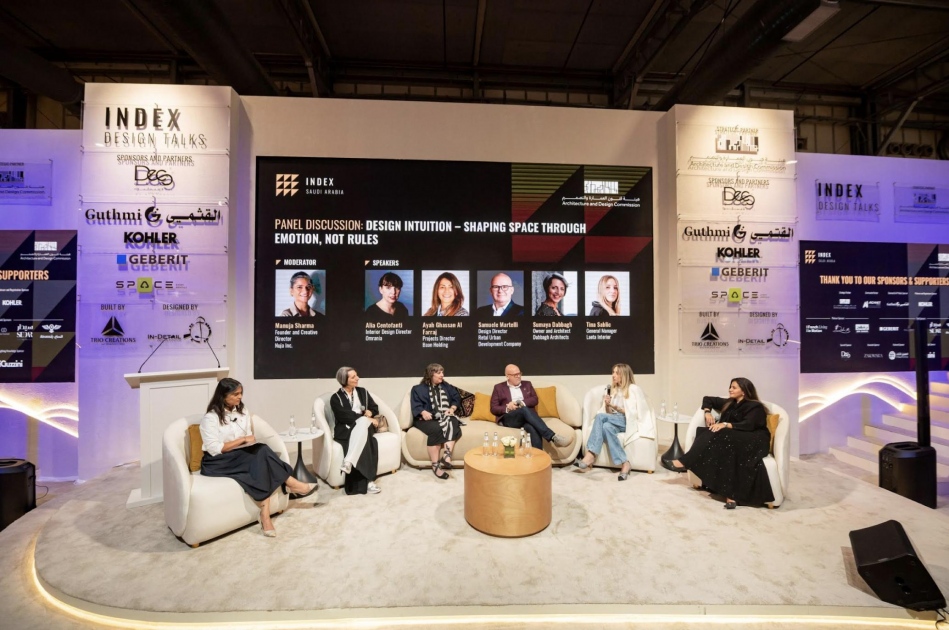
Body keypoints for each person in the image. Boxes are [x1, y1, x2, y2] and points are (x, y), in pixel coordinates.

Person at [199, 378, 316, 537]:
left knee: (261, 453)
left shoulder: (242, 411)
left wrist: (248, 440)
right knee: (262, 454)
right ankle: (290, 483)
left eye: (241, 393)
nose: (240, 397)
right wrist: (242, 440)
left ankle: (265, 514)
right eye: (235, 394)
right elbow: (215, 448)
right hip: (218, 461)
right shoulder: (210, 418)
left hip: (239, 454)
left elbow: (248, 435)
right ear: (223, 395)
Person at [667, 377, 774, 509]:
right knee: (711, 433)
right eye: (730, 386)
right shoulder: (730, 403)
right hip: (734, 436)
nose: (730, 389)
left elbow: (749, 424)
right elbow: (708, 399)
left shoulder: (755, 406)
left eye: (734, 387)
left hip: (754, 439)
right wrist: (707, 412)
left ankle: (684, 461)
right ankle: (730, 495)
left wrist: (724, 424)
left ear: (744, 391)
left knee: (720, 433)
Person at [573, 363, 656, 481]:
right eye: (613, 372)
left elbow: (635, 413)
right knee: (606, 427)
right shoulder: (614, 390)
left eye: (617, 373)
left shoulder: (633, 389)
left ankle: (591, 454)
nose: (613, 375)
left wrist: (616, 407)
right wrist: (608, 405)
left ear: (624, 374)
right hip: (615, 420)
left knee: (600, 417)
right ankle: (625, 463)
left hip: (627, 421)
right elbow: (609, 413)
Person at [490, 364, 570, 449]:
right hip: (510, 418)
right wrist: (508, 408)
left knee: (532, 427)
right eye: (515, 375)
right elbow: (493, 408)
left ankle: (538, 455)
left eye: (519, 373)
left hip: (526, 417)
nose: (518, 376)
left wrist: (520, 402)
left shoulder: (527, 384)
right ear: (507, 376)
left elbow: (535, 399)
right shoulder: (498, 387)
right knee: (524, 409)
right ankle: (552, 436)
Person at [330, 367, 383, 495]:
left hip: (365, 427)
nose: (357, 378)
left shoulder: (363, 392)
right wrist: (365, 418)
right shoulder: (336, 398)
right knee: (367, 437)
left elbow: (375, 408)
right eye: (353, 377)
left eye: (357, 375)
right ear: (344, 380)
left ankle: (348, 461)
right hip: (346, 429)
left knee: (364, 426)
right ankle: (369, 482)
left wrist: (370, 412)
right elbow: (344, 416)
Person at [410, 363, 464, 479]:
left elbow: (456, 397)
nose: (442, 375)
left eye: (442, 372)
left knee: (453, 422)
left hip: (443, 416)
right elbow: (416, 405)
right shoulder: (418, 389)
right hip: (425, 419)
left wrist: (452, 408)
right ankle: (435, 466)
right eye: (439, 373)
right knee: (437, 429)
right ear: (431, 374)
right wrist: (423, 412)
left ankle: (446, 456)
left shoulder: (446, 386)